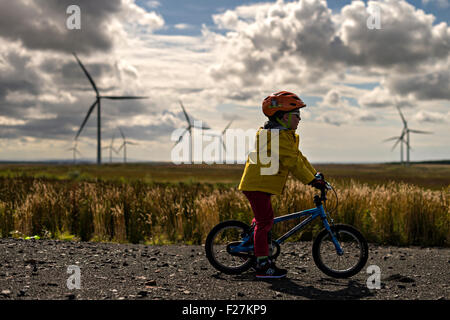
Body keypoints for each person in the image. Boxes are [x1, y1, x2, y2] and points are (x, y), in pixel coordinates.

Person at [238, 91, 326, 279]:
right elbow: (292, 163)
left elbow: (299, 158)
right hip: (257, 185)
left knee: (264, 218)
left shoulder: (283, 136)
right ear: (285, 117)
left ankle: (252, 243)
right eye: (297, 115)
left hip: (262, 184)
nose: (300, 120)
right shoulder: (277, 138)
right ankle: (262, 265)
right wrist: (311, 180)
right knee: (265, 221)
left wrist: (314, 175)